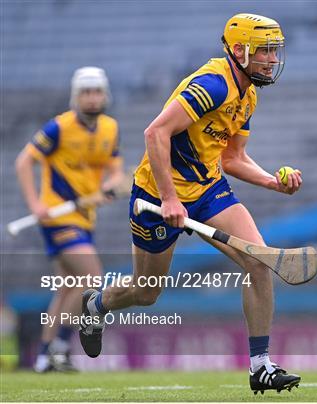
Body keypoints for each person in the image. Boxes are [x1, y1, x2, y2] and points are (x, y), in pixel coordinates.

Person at [79, 14, 303, 394]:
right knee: (146, 292)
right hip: (156, 193)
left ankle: (260, 366)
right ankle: (96, 306)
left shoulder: (247, 94)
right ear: (239, 51)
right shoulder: (213, 84)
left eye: (273, 51)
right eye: (264, 50)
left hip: (207, 190)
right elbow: (156, 132)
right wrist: (168, 197)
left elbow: (232, 158)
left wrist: (270, 182)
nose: (271, 59)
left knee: (258, 259)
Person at [15, 67, 124, 372]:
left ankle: (45, 356)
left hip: (85, 219)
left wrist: (109, 185)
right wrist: (35, 204)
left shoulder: (110, 129)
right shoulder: (58, 128)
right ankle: (60, 346)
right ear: (76, 96)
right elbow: (23, 162)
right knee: (92, 280)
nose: (92, 98)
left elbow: (116, 171)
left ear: (105, 94)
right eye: (86, 92)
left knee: (67, 288)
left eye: (97, 92)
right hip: (57, 216)